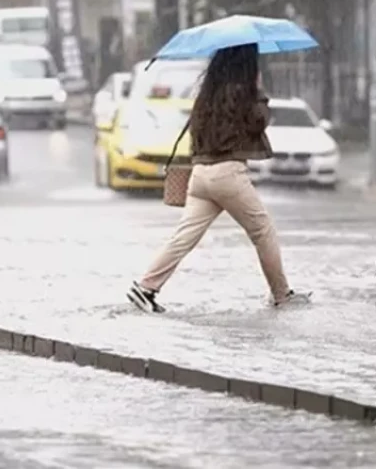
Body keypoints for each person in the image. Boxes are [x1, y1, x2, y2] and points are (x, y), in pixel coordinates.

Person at [127, 43, 308, 313]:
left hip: (200, 175)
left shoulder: (207, 94)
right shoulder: (243, 93)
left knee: (183, 236)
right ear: (246, 64)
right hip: (227, 174)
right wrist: (257, 90)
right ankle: (281, 294)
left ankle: (146, 287)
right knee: (263, 231)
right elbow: (259, 121)